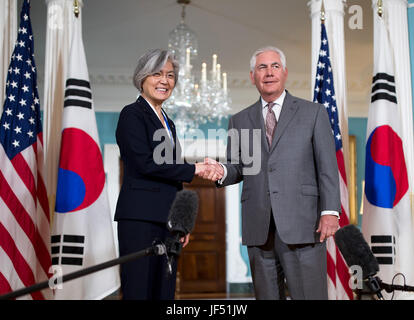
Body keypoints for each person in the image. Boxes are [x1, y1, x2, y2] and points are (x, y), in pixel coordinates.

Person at [204, 46, 341, 299]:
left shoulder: (313, 113)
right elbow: (239, 166)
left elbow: (327, 167)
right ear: (252, 76)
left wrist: (330, 211)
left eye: (275, 66)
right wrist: (221, 170)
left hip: (304, 226)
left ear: (285, 72)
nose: (269, 72)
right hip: (259, 228)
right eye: (262, 67)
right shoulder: (239, 120)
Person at [114, 49, 218, 300]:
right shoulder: (132, 114)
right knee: (139, 290)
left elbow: (172, 175)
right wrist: (195, 169)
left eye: (170, 75)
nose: (165, 80)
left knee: (165, 291)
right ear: (142, 77)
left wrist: (181, 221)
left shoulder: (168, 122)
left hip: (168, 222)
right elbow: (146, 164)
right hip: (140, 219)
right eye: (157, 73)